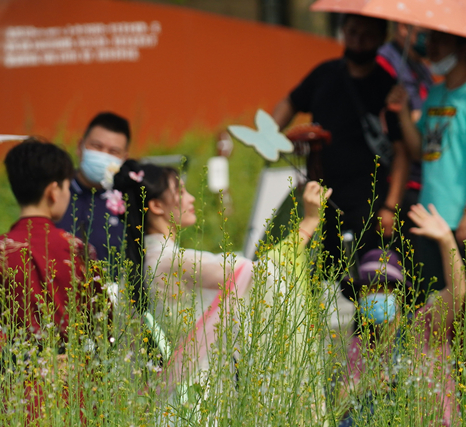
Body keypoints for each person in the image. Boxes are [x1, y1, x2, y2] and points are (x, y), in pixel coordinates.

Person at [113, 159, 331, 390]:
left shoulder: (143, 264)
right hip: (199, 390)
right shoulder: (169, 262)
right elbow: (260, 273)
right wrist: (310, 221)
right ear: (156, 206)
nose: (191, 198)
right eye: (181, 191)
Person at [0, 139, 105, 427]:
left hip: (21, 393)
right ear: (54, 190)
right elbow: (102, 323)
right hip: (75, 388)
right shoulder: (79, 250)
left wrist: (23, 362)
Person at [336, 204, 466, 427]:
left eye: (385, 288)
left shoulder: (426, 325)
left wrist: (446, 240)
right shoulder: (359, 345)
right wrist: (365, 386)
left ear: (401, 294)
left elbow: (457, 293)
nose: (377, 295)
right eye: (370, 288)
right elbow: (338, 407)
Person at [272, 14, 408, 261]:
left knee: (368, 279)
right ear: (343, 32)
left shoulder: (387, 87)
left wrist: (390, 207)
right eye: (352, 31)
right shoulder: (324, 74)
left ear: (380, 39)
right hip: (319, 199)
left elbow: (401, 152)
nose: (358, 40)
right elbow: (290, 103)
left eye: (367, 34)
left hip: (370, 205)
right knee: (315, 276)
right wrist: (270, 136)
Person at [391, 31, 466, 300]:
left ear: (463, 47)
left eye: (440, 41)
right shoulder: (436, 93)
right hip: (432, 219)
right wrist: (404, 112)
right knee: (432, 314)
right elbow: (420, 150)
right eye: (430, 41)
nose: (431, 48)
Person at [376, 22, 434, 235]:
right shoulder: (386, 62)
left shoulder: (422, 65)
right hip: (399, 184)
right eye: (423, 34)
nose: (427, 41)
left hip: (423, 179)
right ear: (403, 27)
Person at [55, 111, 130, 267]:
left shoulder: (128, 202)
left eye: (113, 152)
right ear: (80, 147)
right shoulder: (55, 191)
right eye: (96, 146)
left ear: (124, 159)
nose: (103, 155)